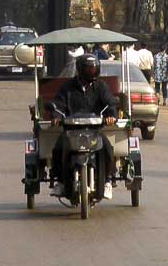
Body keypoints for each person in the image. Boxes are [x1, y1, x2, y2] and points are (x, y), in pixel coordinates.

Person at [49, 54, 118, 200]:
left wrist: (111, 116)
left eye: (94, 68)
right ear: (80, 69)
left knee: (107, 148)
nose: (92, 71)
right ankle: (60, 181)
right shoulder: (68, 87)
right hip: (71, 131)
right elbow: (58, 104)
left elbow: (110, 103)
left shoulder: (101, 86)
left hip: (94, 131)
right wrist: (56, 116)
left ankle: (107, 181)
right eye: (88, 69)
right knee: (58, 148)